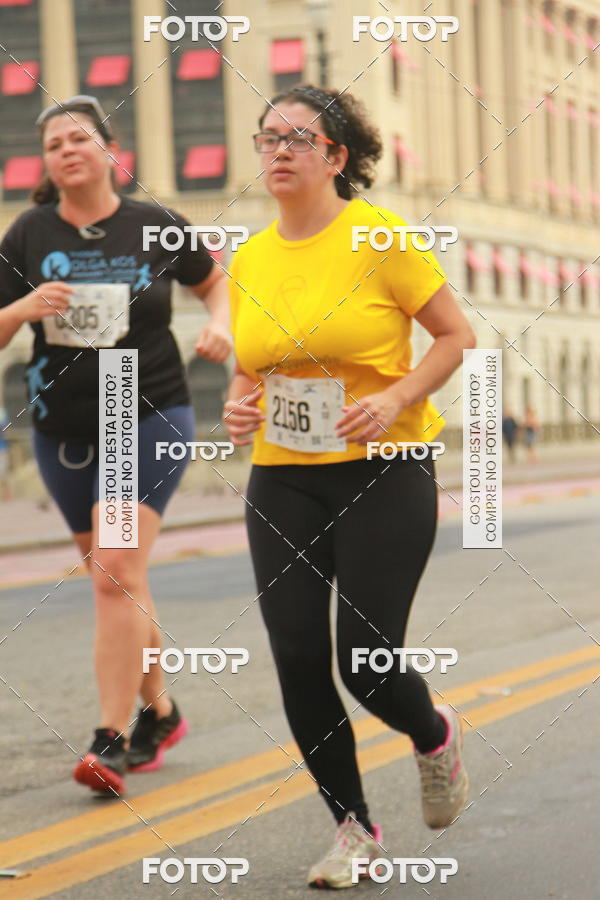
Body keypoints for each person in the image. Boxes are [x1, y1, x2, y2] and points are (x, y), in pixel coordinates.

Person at [223, 84, 476, 889]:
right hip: (284, 476)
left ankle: (433, 734)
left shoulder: (381, 237)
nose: (280, 151)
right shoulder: (252, 256)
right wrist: (238, 407)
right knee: (297, 654)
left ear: (336, 156)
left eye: (300, 138)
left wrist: (397, 397)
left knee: (365, 661)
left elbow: (454, 336)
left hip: (385, 471)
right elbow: (251, 365)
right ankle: (353, 830)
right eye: (269, 138)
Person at [0, 95, 232, 796]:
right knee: (119, 579)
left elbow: (216, 283)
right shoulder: (27, 235)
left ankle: (110, 737)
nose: (67, 150)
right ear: (46, 164)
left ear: (109, 150)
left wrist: (219, 327)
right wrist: (22, 307)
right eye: (54, 144)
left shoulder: (156, 226)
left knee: (112, 573)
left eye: (79, 138)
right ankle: (160, 711)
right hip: (62, 428)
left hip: (146, 413)